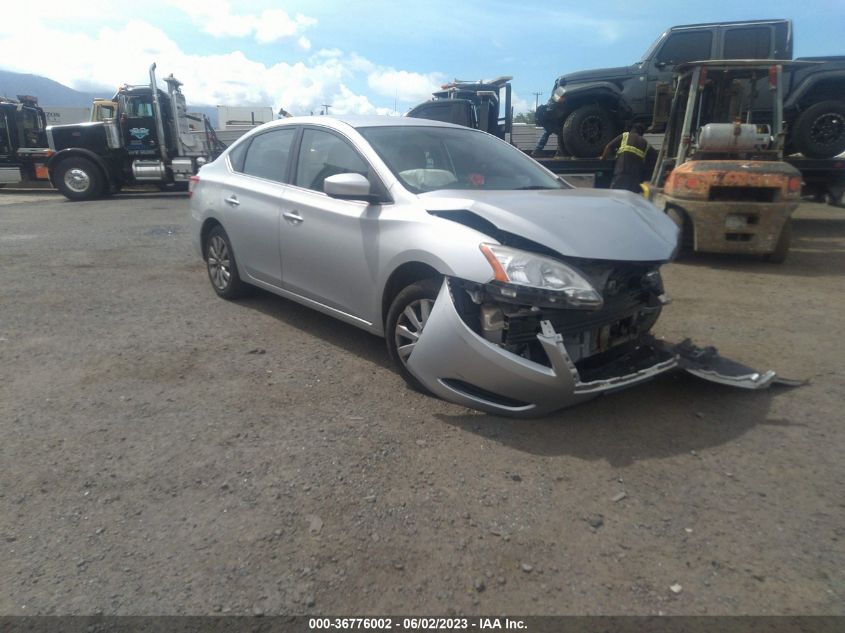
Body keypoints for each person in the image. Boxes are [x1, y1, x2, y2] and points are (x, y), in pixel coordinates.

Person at [601, 123, 657, 193]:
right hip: (635, 177)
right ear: (642, 133)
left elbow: (609, 146)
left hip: (621, 172)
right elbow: (655, 157)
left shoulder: (625, 135)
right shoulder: (645, 143)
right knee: (631, 199)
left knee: (616, 196)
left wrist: (603, 159)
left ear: (632, 130)